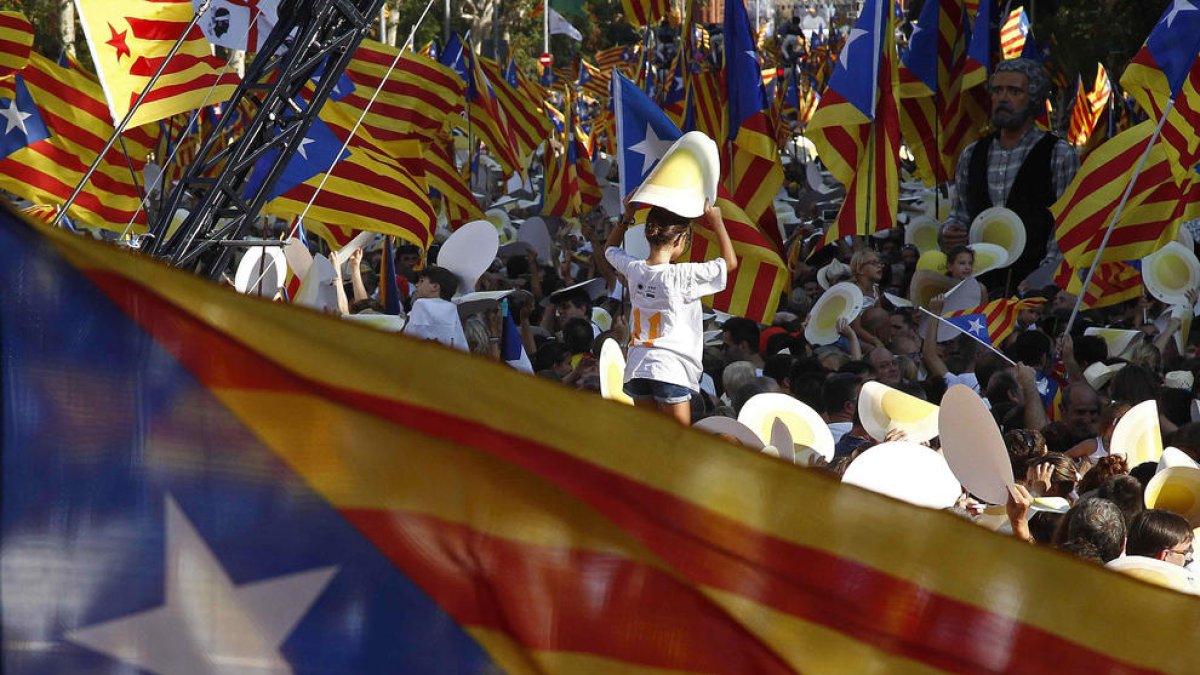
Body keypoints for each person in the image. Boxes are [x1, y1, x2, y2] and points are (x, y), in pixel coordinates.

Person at [940, 58, 1080, 296]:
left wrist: (1044, 279)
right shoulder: (971, 154)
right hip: (978, 289)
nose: (1003, 98)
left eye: (1014, 91)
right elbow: (960, 213)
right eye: (998, 90)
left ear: (1033, 98)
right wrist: (949, 232)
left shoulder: (1059, 154)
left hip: (1035, 290)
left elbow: (1067, 227)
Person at [605, 204, 737, 425]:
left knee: (650, 437)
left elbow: (610, 249)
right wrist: (717, 221)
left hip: (637, 366)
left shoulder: (634, 268)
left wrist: (627, 215)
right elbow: (729, 263)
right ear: (679, 239)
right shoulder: (683, 275)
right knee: (678, 440)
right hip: (671, 369)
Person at [403, 265, 468, 351]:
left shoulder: (421, 304)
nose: (416, 285)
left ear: (435, 287)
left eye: (421, 281)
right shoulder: (452, 308)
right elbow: (460, 343)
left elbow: (411, 337)